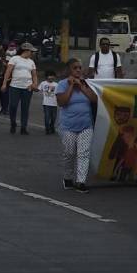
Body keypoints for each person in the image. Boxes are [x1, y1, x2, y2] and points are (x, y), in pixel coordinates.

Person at [55, 59, 97, 192]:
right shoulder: (62, 84)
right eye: (75, 68)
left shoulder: (87, 84)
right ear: (69, 70)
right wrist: (72, 86)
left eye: (80, 67)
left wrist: (82, 87)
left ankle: (81, 182)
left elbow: (94, 99)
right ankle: (68, 177)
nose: (78, 70)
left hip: (85, 125)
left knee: (83, 153)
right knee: (69, 153)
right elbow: (62, 102)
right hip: (68, 126)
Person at [2, 42, 39, 134]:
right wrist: (4, 84)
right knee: (13, 105)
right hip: (15, 86)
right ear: (26, 50)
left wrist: (35, 84)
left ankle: (23, 127)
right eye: (31, 51)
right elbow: (8, 71)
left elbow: (34, 75)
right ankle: (13, 123)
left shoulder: (31, 62)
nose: (32, 53)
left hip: (27, 88)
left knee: (25, 108)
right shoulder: (15, 59)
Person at [0, 42, 17, 115]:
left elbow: (11, 66)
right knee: (1, 92)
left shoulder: (9, 55)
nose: (0, 48)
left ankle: (5, 108)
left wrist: (6, 64)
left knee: (5, 92)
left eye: (1, 47)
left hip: (7, 76)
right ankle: (3, 107)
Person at [39, 69, 59, 134]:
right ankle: (47, 129)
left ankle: (52, 126)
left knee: (53, 117)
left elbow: (59, 93)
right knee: (47, 117)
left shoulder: (56, 84)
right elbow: (38, 89)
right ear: (46, 76)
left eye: (53, 76)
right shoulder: (43, 83)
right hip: (46, 103)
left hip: (54, 104)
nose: (51, 77)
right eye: (49, 76)